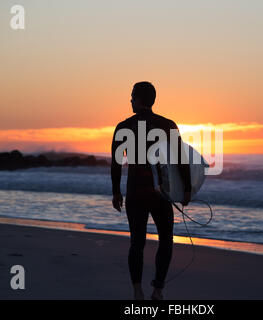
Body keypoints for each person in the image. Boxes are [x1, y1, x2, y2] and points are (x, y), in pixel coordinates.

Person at [111, 81, 191, 300]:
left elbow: (116, 163)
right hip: (160, 192)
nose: (130, 100)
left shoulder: (124, 127)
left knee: (137, 242)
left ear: (138, 99)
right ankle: (157, 290)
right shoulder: (168, 124)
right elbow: (180, 160)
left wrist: (116, 191)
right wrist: (186, 189)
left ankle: (137, 291)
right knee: (166, 239)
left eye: (131, 96)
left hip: (136, 190)